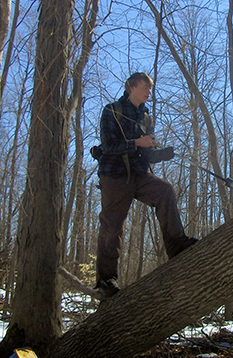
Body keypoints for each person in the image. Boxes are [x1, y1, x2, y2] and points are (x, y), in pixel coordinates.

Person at [94, 72, 197, 297]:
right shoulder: (112, 110)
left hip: (139, 175)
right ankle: (105, 280)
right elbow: (108, 145)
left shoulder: (145, 116)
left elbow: (147, 154)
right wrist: (135, 142)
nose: (149, 91)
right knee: (113, 227)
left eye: (150, 88)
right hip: (114, 175)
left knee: (165, 191)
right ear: (131, 87)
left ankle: (177, 246)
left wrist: (163, 154)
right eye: (145, 87)